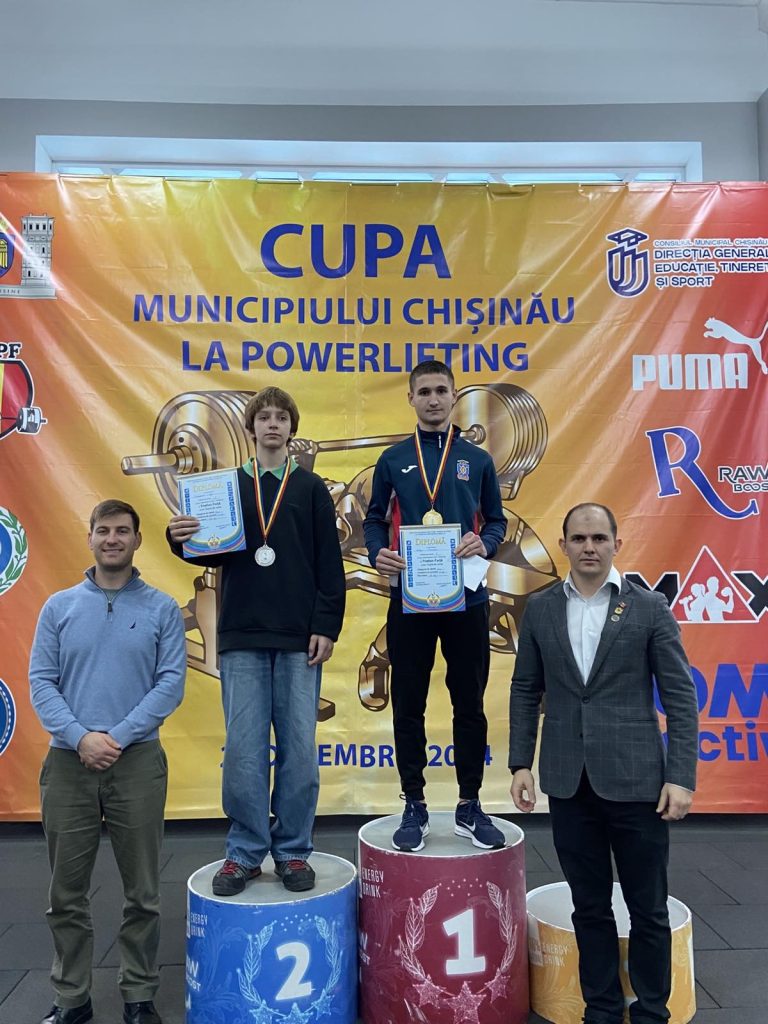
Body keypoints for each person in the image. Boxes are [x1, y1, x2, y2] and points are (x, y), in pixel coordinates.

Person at [509, 503, 699, 1024]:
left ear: (617, 543)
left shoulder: (649, 607)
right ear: (564, 545)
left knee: (648, 909)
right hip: (568, 782)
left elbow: (680, 697)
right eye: (578, 538)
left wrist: (681, 776)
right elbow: (525, 688)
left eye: (598, 538)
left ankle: (653, 1012)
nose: (589, 547)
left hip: (638, 780)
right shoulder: (541, 608)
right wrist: (520, 763)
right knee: (588, 906)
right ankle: (601, 1010)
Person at [167, 386, 345, 896]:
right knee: (244, 750)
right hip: (241, 633)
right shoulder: (225, 487)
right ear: (249, 428)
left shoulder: (310, 488)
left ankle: (292, 850)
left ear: (292, 428)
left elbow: (329, 565)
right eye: (263, 417)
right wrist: (178, 539)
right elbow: (208, 552)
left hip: (298, 638)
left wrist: (326, 626)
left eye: (280, 417)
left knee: (298, 750)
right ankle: (244, 852)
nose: (272, 424)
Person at [29, 500, 186, 1024]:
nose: (112, 538)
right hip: (67, 764)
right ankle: (71, 999)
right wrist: (80, 738)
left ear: (138, 540)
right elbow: (41, 682)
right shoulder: (59, 607)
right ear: (91, 538)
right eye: (103, 530)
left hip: (137, 762)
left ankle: (139, 995)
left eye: (122, 531)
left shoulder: (163, 608)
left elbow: (170, 685)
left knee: (143, 893)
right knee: (65, 895)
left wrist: (114, 737)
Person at [363, 359, 507, 852]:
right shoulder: (392, 459)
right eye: (423, 391)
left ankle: (470, 804)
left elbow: (497, 521)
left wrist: (485, 543)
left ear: (454, 396)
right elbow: (374, 520)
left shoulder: (476, 460)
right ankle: (414, 803)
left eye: (441, 390)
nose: (433, 399)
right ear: (410, 398)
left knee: (469, 701)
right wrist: (376, 551)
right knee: (409, 701)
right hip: (409, 598)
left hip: (466, 597)